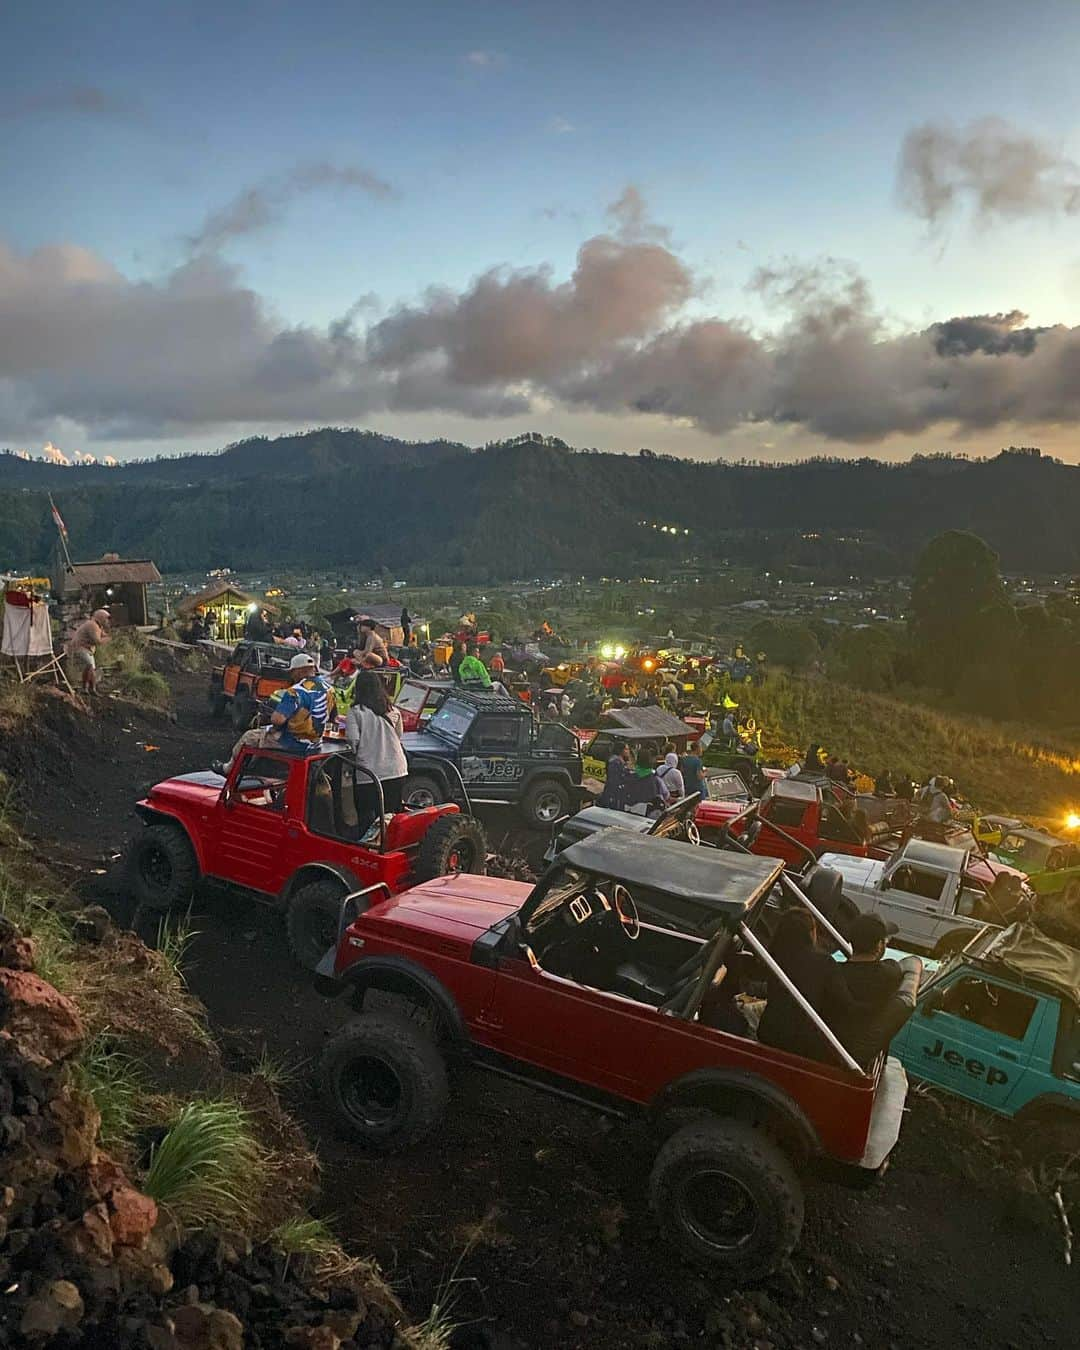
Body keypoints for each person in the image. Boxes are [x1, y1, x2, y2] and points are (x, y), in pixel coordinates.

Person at [757, 910, 856, 1063]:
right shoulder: (824, 962)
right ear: (811, 933)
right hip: (803, 1043)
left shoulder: (774, 957)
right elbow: (843, 1004)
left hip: (769, 1032)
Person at [221, 652, 332, 771]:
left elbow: (277, 720)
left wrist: (272, 715)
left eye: (292, 672)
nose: (291, 676)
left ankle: (228, 769)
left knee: (249, 737)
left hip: (292, 743)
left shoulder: (295, 691)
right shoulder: (329, 689)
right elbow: (331, 716)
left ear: (299, 671)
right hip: (315, 742)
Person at [345, 670, 409, 832]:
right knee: (391, 817)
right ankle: (389, 847)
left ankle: (369, 849)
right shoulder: (393, 710)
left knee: (367, 817)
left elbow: (353, 741)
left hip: (370, 774)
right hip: (397, 770)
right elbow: (398, 736)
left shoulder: (356, 712)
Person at [69, 608, 111, 694]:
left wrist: (108, 635)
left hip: (86, 649)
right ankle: (87, 688)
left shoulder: (98, 626)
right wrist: (108, 639)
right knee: (90, 665)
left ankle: (91, 689)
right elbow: (97, 640)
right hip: (80, 648)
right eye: (106, 619)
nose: (107, 621)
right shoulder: (92, 625)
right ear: (101, 618)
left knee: (91, 668)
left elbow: (102, 635)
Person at [624, 750, 667, 816]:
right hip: (648, 810)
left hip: (631, 810)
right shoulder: (654, 776)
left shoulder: (629, 775)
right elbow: (664, 792)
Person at [597, 740, 631, 809]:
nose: (628, 751)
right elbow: (614, 780)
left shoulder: (621, 761)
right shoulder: (614, 762)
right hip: (612, 795)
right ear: (621, 750)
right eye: (626, 749)